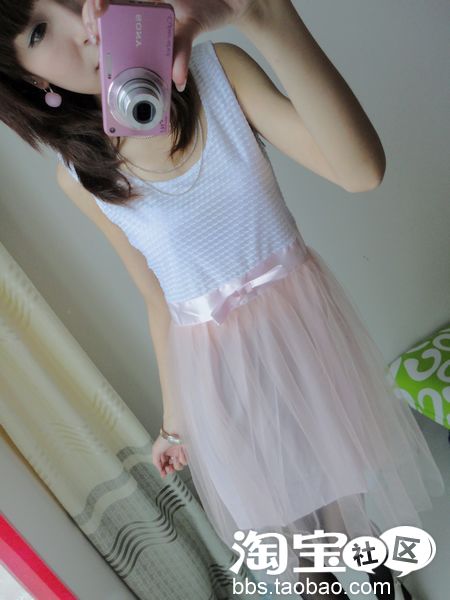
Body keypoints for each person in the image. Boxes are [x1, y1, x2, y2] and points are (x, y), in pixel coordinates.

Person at [1, 1, 444, 598]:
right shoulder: (80, 177)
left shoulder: (218, 71)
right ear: (30, 78)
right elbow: (158, 300)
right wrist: (173, 426)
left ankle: (381, 579)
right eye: (38, 31)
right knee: (295, 546)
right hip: (220, 379)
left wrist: (264, 12)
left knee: (345, 498)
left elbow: (360, 172)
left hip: (305, 333)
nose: (82, 27)